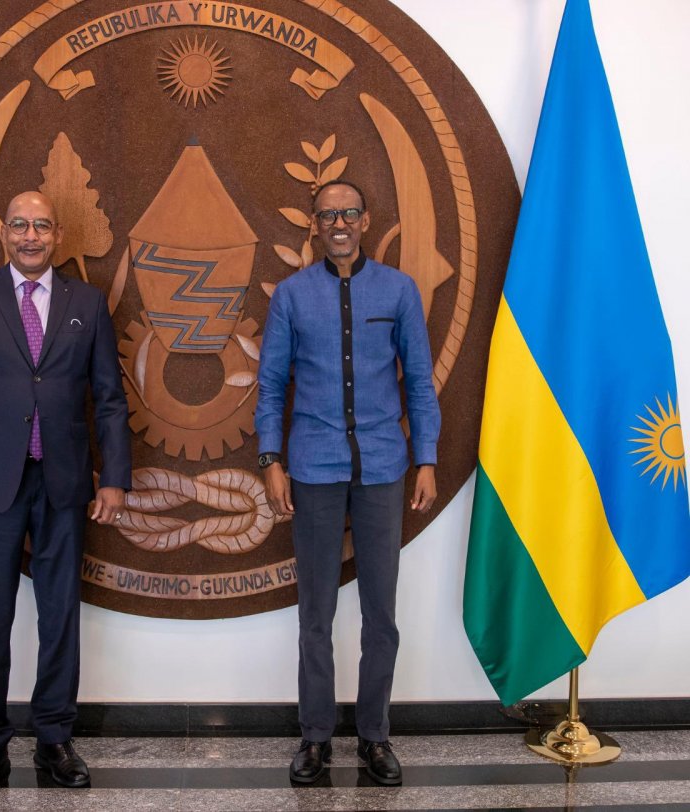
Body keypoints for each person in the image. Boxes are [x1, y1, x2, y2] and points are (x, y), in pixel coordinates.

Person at [0, 191, 131, 803]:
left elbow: (109, 399)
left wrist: (114, 477)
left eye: (41, 225)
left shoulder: (86, 303)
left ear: (57, 234)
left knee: (60, 614)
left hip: (64, 481)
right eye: (20, 225)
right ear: (4, 233)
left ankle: (54, 739)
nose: (30, 235)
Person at [255, 180, 440, 786]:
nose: (339, 223)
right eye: (328, 214)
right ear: (314, 224)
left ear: (365, 220)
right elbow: (271, 385)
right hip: (313, 467)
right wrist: (271, 459)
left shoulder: (399, 290)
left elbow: (419, 382)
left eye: (349, 213)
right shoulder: (291, 296)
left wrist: (427, 459)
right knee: (316, 612)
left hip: (384, 468)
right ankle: (314, 738)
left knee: (381, 612)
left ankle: (375, 736)